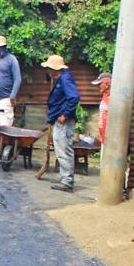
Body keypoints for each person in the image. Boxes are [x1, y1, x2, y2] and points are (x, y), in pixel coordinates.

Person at [43, 54, 80, 193]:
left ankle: (67, 181)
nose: (48, 71)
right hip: (59, 119)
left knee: (64, 150)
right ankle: (66, 179)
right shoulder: (61, 78)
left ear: (54, 69)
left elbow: (74, 98)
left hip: (63, 121)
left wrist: (65, 115)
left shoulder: (65, 79)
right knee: (62, 150)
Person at [92, 72, 112, 144]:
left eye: (100, 84)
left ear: (107, 84)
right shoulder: (105, 95)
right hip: (104, 138)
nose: (98, 86)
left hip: (111, 138)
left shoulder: (113, 98)